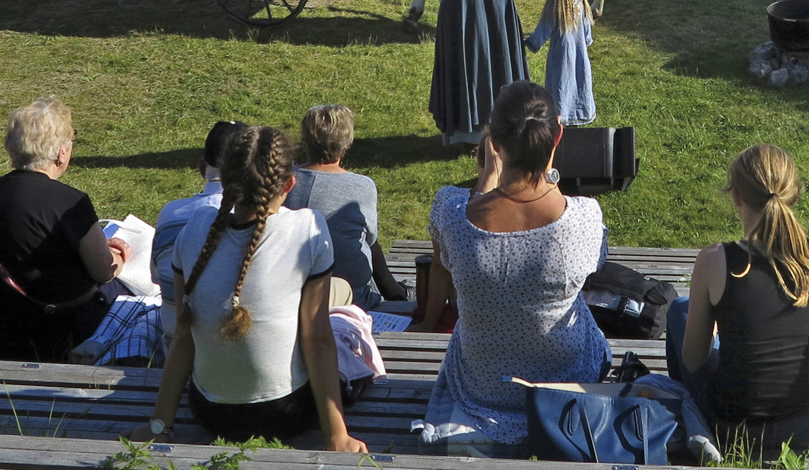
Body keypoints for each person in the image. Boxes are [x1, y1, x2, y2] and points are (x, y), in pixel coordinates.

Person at [138, 125, 368, 451]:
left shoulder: (194, 229)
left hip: (211, 415)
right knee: (346, 317)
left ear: (225, 181)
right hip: (286, 414)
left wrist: (159, 426)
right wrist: (337, 437)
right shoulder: (308, 227)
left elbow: (183, 335)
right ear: (289, 183)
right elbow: (316, 340)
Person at [415, 80, 610, 451]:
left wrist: (486, 182)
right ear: (558, 136)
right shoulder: (585, 217)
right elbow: (595, 264)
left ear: (492, 141)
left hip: (482, 387)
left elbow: (446, 260)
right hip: (565, 382)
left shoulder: (452, 211)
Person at [670, 145, 809, 456]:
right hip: (806, 418)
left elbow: (693, 360)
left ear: (736, 197)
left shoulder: (715, 260)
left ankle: (689, 414)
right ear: (794, 194)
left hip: (733, 425)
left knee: (679, 311)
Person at [0, 97, 131, 363]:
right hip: (54, 336)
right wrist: (119, 256)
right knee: (130, 291)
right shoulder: (71, 202)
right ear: (61, 153)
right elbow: (104, 271)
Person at [286, 105, 408, 313]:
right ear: (348, 141)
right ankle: (396, 292)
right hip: (353, 299)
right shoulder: (361, 185)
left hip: (291, 292)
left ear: (305, 139)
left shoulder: (284, 180)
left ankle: (395, 290)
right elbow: (370, 238)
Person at [152, 119, 246, 343]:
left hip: (172, 336)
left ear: (203, 168)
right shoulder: (258, 217)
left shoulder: (170, 213)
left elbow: (157, 277)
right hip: (231, 339)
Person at [427, 0, 528, 137]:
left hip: (464, 55)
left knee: (467, 78)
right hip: (496, 54)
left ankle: (465, 135)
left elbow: (448, 29)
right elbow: (508, 27)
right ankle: (497, 130)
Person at [526, 0, 595, 127]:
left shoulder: (555, 6)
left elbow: (541, 33)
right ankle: (576, 122)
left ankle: (560, 125)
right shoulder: (582, 3)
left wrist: (527, 43)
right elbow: (587, 37)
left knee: (560, 91)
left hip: (560, 60)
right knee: (579, 87)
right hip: (580, 59)